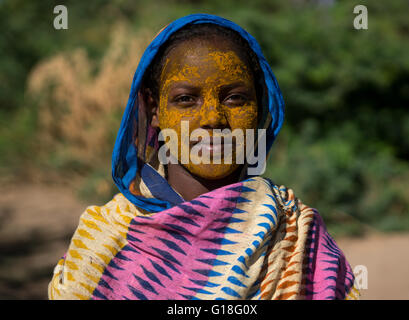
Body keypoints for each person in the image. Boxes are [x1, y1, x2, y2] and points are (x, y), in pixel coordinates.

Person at [48, 14, 359, 300]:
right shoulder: (105, 239)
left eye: (236, 98)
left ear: (260, 108)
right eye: (185, 99)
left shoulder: (297, 234)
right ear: (155, 111)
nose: (213, 118)